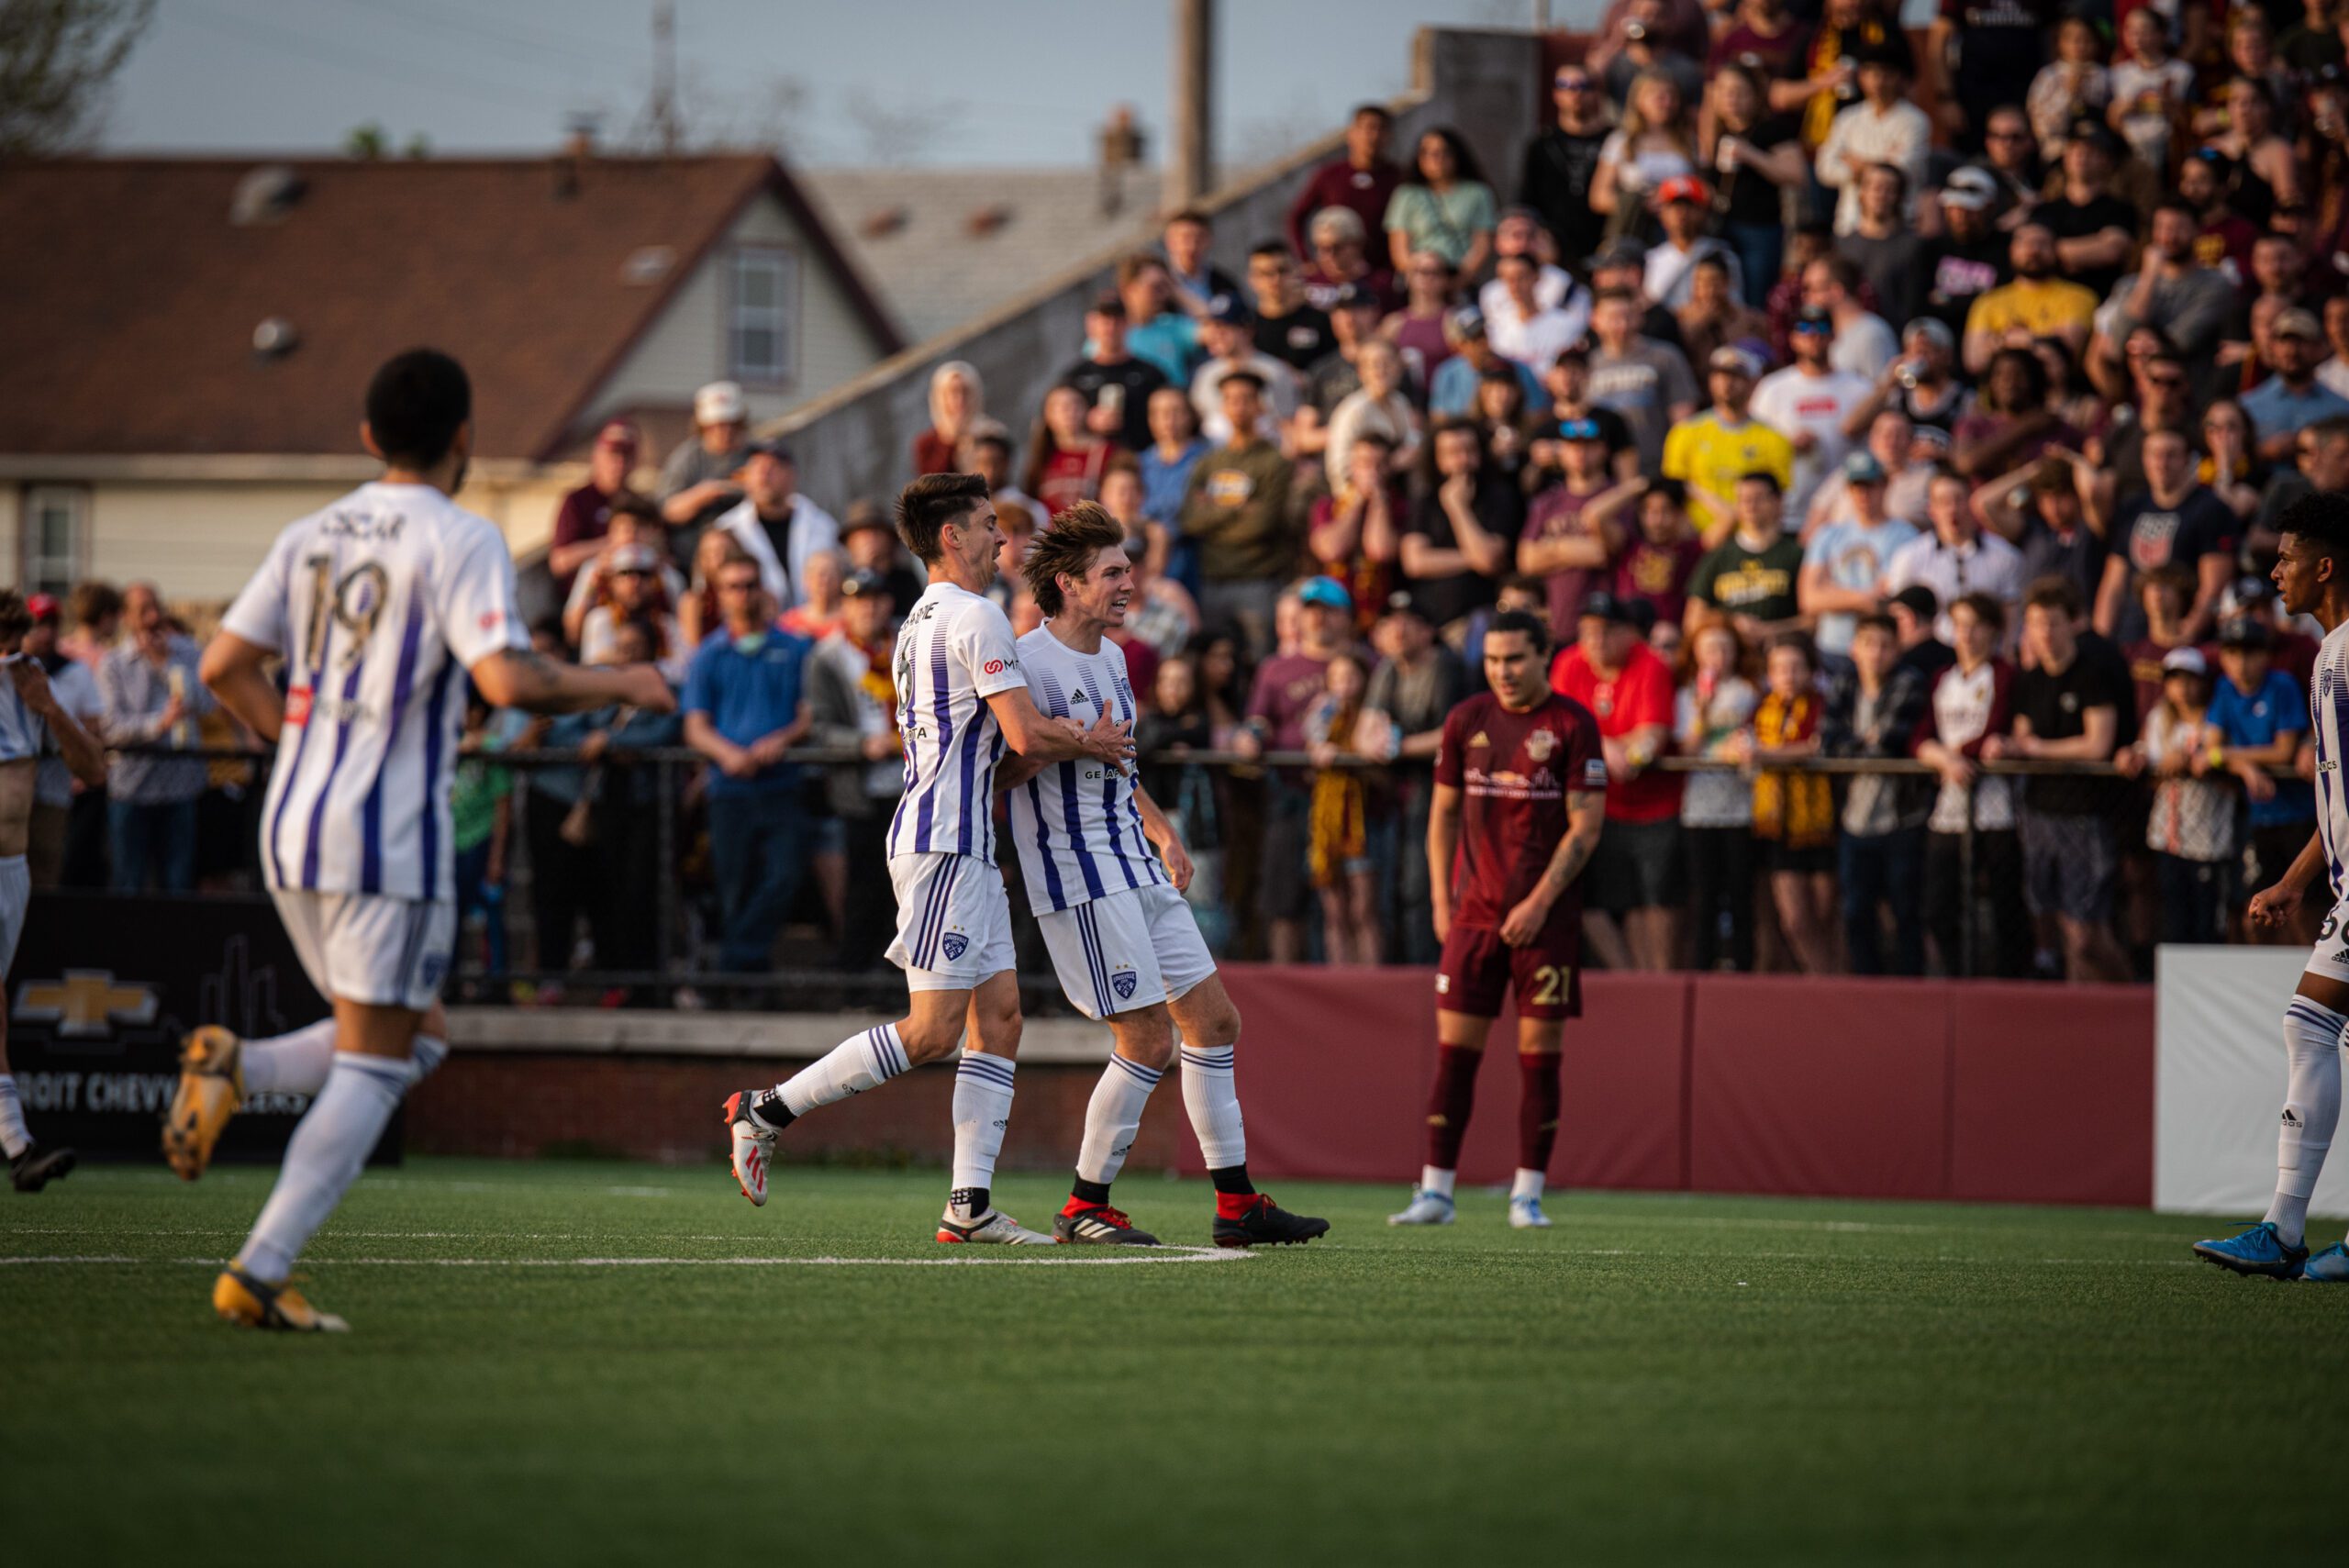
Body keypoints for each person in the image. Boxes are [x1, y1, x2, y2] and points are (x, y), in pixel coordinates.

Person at [171, 349, 674, 1329]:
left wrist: (301, 742)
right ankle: (259, 1269)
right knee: (378, 1061)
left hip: (293, 821)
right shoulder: (461, 535)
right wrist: (626, 682)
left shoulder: (311, 532)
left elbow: (223, 664)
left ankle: (240, 1063)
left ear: (367, 437)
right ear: (463, 438)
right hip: (386, 834)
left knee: (416, 1030)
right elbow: (508, 683)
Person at [720, 473, 1136, 1244]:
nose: (1000, 537)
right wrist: (1091, 737)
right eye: (986, 523)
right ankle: (765, 1109)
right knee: (932, 1030)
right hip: (942, 841)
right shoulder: (975, 615)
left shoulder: (923, 616)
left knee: (1001, 1019)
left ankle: (968, 1203)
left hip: (962, 840)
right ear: (952, 536)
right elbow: (1021, 734)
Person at [986, 504, 1326, 1248]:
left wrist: (1161, 826)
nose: (1128, 584)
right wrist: (1075, 741)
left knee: (1213, 1021)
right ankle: (1084, 1206)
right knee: (1145, 1037)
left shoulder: (1112, 656)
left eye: (1127, 569)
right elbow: (998, 771)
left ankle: (1238, 1206)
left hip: (1133, 858)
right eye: (1112, 572)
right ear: (1070, 584)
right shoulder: (1026, 660)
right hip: (1078, 872)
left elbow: (1118, 759)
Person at [1389, 608, 1605, 1229]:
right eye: (1493, 660)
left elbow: (1587, 827)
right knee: (1455, 1055)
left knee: (1540, 1056)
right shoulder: (1467, 719)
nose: (1503, 671)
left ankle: (1527, 1194)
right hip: (1474, 919)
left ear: (1544, 656)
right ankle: (1435, 1191)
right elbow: (1443, 816)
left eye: (1515, 658)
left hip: (1548, 923)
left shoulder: (1572, 724)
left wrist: (1538, 903)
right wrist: (1439, 897)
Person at [2191, 490, 2349, 1282]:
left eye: (2287, 557)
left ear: (2326, 567)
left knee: (2310, 1023)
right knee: (2311, 1025)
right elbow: (2338, 801)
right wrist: (2294, 881)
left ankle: (2286, 1229)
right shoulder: (2328, 654)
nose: (2275, 571)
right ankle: (2285, 1231)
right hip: (2347, 887)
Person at [0, 589, 106, 1190]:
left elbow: (94, 770)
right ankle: (19, 1145)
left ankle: (18, 1145)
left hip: (12, 872)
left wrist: (51, 710)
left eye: (17, 644)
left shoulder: (32, 692)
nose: (11, 656)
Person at [681, 555, 816, 982]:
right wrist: (727, 754)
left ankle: (730, 964)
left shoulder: (794, 647)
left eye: (749, 584)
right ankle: (746, 974)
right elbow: (695, 725)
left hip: (781, 783)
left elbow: (809, 714)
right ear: (719, 595)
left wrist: (781, 740)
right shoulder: (708, 654)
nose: (743, 594)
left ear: (762, 589)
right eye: (733, 586)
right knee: (733, 885)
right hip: (730, 787)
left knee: (785, 876)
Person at [1997, 577, 2131, 983]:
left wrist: (2038, 749)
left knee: (2086, 932)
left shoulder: (2091, 674)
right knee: (2051, 921)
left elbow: (2097, 744)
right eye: (2036, 623)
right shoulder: (2029, 680)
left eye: (2053, 623)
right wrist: (2010, 747)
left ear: (2071, 624)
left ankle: (2134, 997)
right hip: (2038, 812)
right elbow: (2021, 736)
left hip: (2084, 814)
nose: (2044, 633)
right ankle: (2080, 1006)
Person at [1550, 592, 1682, 971]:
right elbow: (1559, 732)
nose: (1596, 641)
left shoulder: (1650, 665)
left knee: (1655, 903)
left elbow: (1650, 740)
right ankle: (1630, 981)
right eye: (1588, 631)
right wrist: (1604, 746)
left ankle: (1660, 985)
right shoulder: (1569, 663)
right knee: (1598, 900)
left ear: (1629, 634)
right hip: (1596, 808)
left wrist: (1606, 748)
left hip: (1653, 807)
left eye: (1607, 631)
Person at [1232, 575, 1354, 962]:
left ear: (1345, 617)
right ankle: (1286, 997)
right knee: (1283, 899)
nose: (1319, 620)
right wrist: (1249, 738)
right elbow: (1257, 720)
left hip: (1348, 796)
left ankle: (1354, 996)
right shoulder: (1275, 669)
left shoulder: (1361, 662)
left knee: (1347, 903)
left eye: (1329, 612)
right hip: (1291, 793)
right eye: (1311, 611)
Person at [1914, 591, 2030, 979]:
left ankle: (2010, 981)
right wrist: (1944, 758)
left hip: (1997, 805)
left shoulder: (2004, 675)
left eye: (1976, 625)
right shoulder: (1943, 679)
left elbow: (1997, 728)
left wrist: (1958, 753)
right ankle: (1959, 977)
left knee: (2004, 902)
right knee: (1939, 904)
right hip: (1950, 803)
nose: (1967, 634)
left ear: (1993, 630)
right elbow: (1920, 735)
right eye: (1960, 625)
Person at [806, 570, 904, 972]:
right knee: (864, 883)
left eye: (878, 598)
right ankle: (857, 972)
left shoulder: (906, 644)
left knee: (904, 887)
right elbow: (817, 727)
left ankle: (896, 976)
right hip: (859, 787)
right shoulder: (828, 656)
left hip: (908, 784)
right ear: (845, 606)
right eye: (860, 600)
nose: (870, 608)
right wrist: (861, 745)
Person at [1821, 611, 1928, 974]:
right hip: (1854, 819)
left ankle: (1910, 987)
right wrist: (1863, 742)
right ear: (1854, 648)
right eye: (1868, 644)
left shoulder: (1909, 682)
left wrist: (1857, 744)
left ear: (1897, 650)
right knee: (1856, 912)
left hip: (1900, 817)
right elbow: (1828, 744)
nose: (1876, 653)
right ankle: (1867, 987)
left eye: (1885, 645)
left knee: (1904, 911)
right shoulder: (1844, 685)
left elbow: (1890, 744)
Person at [2206, 616, 2316, 937]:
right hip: (2257, 818)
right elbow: (2210, 748)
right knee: (2254, 910)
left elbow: (2284, 750)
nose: (2241, 662)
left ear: (2265, 656)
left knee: (2304, 912)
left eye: (2250, 652)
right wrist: (2244, 766)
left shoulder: (2280, 685)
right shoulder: (2224, 689)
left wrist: (2229, 756)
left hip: (2297, 814)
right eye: (2233, 653)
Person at [98, 581, 210, 893]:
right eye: (143, 610)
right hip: (132, 788)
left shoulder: (187, 652)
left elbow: (206, 703)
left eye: (156, 607)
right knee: (128, 883)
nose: (153, 617)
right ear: (126, 618)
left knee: (178, 884)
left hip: (180, 786)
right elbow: (111, 728)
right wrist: (158, 725)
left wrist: (165, 664)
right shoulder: (114, 664)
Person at [1736, 633, 1837, 973]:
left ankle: (1832, 982)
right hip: (1777, 824)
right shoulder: (1760, 709)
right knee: (1794, 920)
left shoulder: (1826, 704)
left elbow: (1817, 745)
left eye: (1796, 668)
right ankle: (1826, 987)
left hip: (1822, 822)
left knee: (1824, 917)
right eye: (1779, 668)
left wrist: (1767, 754)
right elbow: (1741, 745)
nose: (1788, 676)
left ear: (1810, 671)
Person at [1179, 371, 1298, 660]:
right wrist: (1239, 507)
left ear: (1260, 405)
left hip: (1258, 581)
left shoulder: (1275, 462)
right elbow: (1190, 520)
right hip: (1212, 580)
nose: (1238, 406)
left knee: (1260, 660)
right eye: (1231, 399)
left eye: (1246, 399)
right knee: (1214, 665)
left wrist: (1214, 510)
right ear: (1222, 406)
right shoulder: (1208, 462)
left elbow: (1262, 524)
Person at [2123, 646, 2231, 946]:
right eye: (2174, 680)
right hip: (2169, 834)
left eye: (2189, 679)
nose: (2182, 688)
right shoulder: (2159, 719)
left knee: (2206, 920)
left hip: (2208, 834)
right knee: (2174, 914)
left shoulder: (2215, 717)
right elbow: (2151, 756)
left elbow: (2211, 759)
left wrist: (2187, 761)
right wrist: (2137, 757)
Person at [2094, 428, 2236, 646]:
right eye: (2154, 454)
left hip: (2182, 643)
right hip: (2131, 639)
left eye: (2171, 455)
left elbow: (2214, 585)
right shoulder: (2131, 508)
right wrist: (2100, 642)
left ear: (2188, 460)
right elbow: (2113, 584)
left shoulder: (2210, 509)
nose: (2161, 463)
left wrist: (2189, 631)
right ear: (2144, 459)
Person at [1676, 619, 1759, 972]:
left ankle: (1745, 968)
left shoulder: (1748, 692)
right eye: (1710, 648)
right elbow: (1686, 749)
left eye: (1726, 648)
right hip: (1699, 807)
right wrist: (1703, 709)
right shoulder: (1686, 696)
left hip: (1741, 807)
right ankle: (1701, 969)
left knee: (1742, 893)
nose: (1718, 656)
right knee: (1704, 895)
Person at [1404, 419, 1522, 646]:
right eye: (1452, 453)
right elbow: (1415, 561)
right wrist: (1474, 557)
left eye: (1469, 450)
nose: (1463, 460)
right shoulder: (1426, 500)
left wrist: (1457, 508)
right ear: (1437, 459)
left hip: (1479, 620)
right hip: (1430, 625)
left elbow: (1489, 559)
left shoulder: (1500, 496)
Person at [1752, 308, 1872, 525]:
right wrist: (1787, 445)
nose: (1814, 335)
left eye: (1822, 328)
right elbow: (1753, 445)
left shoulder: (1859, 387)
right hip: (1787, 512)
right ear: (1793, 339)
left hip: (1844, 512)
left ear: (1835, 336)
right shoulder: (1772, 389)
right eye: (1804, 329)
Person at [1664, 347, 1797, 542]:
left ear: (1752, 383)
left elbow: (1778, 498)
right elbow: (1673, 491)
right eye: (1719, 376)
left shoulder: (1773, 438)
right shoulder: (1685, 432)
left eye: (1736, 376)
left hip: (1751, 539)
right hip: (1696, 539)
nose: (1726, 383)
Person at [1704, 61, 1809, 307]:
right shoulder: (1717, 131)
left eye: (1739, 92)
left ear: (1754, 96)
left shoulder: (1772, 130)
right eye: (1725, 91)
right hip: (1722, 225)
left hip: (1760, 228)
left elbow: (1797, 175)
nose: (1731, 98)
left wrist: (1751, 155)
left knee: (1756, 295)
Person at [1884, 469, 2030, 643]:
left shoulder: (2005, 556)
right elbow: (1897, 614)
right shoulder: (1909, 556)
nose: (1952, 509)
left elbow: (2012, 615)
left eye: (1958, 500)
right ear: (1931, 509)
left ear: (1970, 503)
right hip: (1931, 656)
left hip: (1989, 656)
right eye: (1943, 502)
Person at [1800, 451, 1919, 659]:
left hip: (1881, 651)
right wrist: (1863, 598)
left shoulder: (1906, 536)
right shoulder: (1828, 534)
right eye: (1856, 487)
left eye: (1870, 485)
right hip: (1831, 648)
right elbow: (1809, 599)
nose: (1863, 494)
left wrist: (1831, 589)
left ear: (1885, 485)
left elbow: (1887, 599)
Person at [708, 439, 841, 612]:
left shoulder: (822, 525)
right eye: (756, 469)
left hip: (816, 629)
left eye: (772, 468)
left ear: (791, 475)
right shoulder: (727, 529)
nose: (764, 476)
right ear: (744, 477)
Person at [1815, 44, 1931, 237]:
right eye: (1871, 73)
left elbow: (1902, 169)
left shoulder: (1915, 121)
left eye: (1886, 74)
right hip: (1850, 221)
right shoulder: (1848, 118)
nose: (1878, 81)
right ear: (1861, 77)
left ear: (1898, 78)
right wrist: (1882, 162)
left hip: (1897, 225)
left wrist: (1854, 162)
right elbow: (1825, 169)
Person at [1686, 471, 1808, 643]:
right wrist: (1730, 625)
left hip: (1781, 654)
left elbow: (1814, 621)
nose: (1751, 506)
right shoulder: (1719, 555)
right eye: (1743, 499)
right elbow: (1692, 620)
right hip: (1731, 657)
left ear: (1778, 501)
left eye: (1758, 498)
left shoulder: (1797, 554)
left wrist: (1768, 630)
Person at [1588, 289, 1702, 473]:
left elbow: (1683, 419)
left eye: (1629, 316)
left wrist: (1675, 467)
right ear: (1595, 320)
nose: (1622, 325)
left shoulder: (1666, 357)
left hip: (1656, 467)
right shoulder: (1588, 364)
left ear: (1640, 318)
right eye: (1613, 317)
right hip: (1604, 475)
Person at [1520, 63, 1614, 277]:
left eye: (1584, 85)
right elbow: (1527, 198)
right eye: (1566, 85)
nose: (1575, 93)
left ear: (1597, 92)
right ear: (1555, 93)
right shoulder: (1542, 143)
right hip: (1553, 253)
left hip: (1605, 249)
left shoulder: (1615, 140)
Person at [1385, 126, 1497, 279]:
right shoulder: (1406, 194)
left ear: (1457, 155)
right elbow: (1399, 251)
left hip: (1459, 276)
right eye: (1428, 153)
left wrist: (1458, 282)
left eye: (1444, 152)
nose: (1437, 159)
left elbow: (1482, 245)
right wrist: (1422, 279)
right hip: (1419, 278)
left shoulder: (1478, 193)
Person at [657, 380, 751, 558]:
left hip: (745, 557)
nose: (726, 432)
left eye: (732, 424)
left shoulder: (756, 455)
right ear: (702, 427)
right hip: (692, 556)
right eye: (717, 426)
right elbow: (668, 510)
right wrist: (707, 492)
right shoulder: (687, 458)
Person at [546, 419, 640, 598]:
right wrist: (614, 544)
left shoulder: (639, 504)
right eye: (613, 454)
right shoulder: (577, 501)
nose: (619, 463)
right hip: (590, 598)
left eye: (626, 455)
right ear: (596, 456)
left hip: (634, 600)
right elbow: (559, 561)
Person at [1060, 296, 1165, 455]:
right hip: (1091, 460)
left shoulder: (1150, 373)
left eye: (1117, 321)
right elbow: (1055, 421)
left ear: (1128, 324)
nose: (1111, 328)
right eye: (1104, 321)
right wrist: (1086, 420)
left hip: (1141, 456)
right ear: (1091, 325)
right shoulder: (1075, 377)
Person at [2241, 309, 2349, 461]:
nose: (2291, 351)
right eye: (2284, 341)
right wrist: (2262, 452)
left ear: (2319, 348)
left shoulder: (2341, 409)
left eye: (2301, 342)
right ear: (2273, 347)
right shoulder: (2248, 406)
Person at [1836, 163, 1931, 331]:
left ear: (1900, 196)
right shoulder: (1841, 244)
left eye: (1889, 189)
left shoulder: (1914, 246)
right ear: (1861, 193)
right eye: (1874, 187)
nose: (1880, 195)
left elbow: (1915, 306)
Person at [1643, 175, 1742, 313]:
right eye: (1674, 206)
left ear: (1704, 212)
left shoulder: (1723, 255)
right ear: (1662, 213)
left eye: (1689, 205)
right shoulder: (1651, 260)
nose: (1681, 213)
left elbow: (1735, 308)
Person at [1246, 242, 1337, 374]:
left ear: (1297, 271)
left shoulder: (1320, 321)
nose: (1275, 279)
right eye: (1265, 273)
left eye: (1282, 270)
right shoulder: (1247, 327)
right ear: (1252, 280)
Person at [1161, 206, 1240, 319]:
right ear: (1170, 241)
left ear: (1209, 240)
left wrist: (1177, 293)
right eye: (1185, 238)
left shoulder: (1223, 283)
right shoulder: (1155, 282)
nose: (1192, 246)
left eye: (1199, 238)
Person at [913, 360, 985, 476]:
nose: (960, 400)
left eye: (965, 392)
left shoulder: (990, 434)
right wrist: (951, 442)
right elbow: (932, 483)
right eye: (953, 392)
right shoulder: (927, 443)